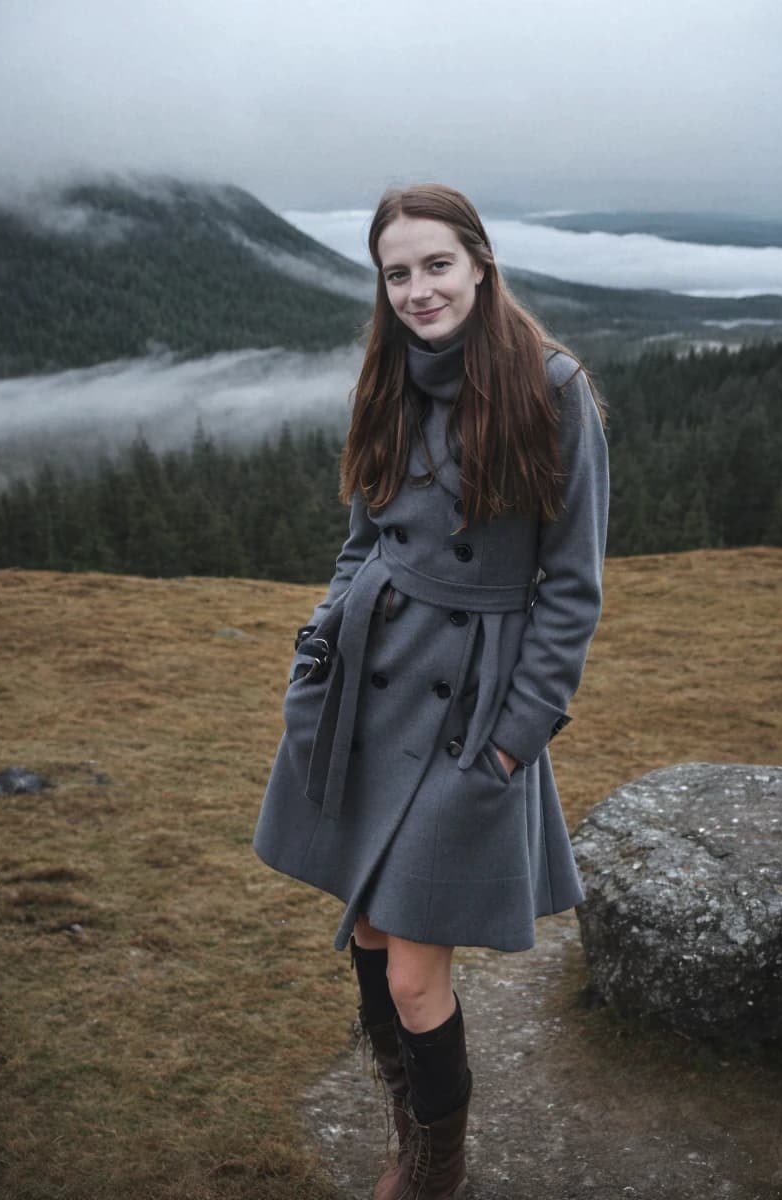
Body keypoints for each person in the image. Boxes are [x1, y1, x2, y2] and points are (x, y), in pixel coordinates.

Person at [254, 183, 609, 1200]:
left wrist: (510, 744)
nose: (416, 289)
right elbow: (359, 539)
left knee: (413, 971)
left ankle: (433, 1173)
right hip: (367, 685)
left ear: (480, 262)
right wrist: (316, 654)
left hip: (471, 709)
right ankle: (406, 1134)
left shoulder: (552, 388)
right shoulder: (388, 378)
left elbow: (571, 588)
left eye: (435, 265)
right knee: (367, 934)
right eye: (395, 272)